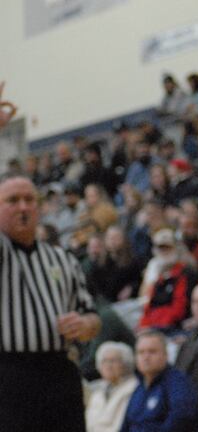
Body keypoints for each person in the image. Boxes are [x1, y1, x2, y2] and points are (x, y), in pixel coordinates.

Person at [0, 174, 101, 431]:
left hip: (60, 371)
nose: (23, 207)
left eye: (29, 199)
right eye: (12, 200)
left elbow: (92, 317)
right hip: (9, 374)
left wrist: (84, 324)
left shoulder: (62, 258)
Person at [121, 330, 198, 432]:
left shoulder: (179, 383)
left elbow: (181, 421)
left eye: (152, 351)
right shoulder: (138, 388)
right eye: (141, 352)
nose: (146, 357)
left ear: (165, 355)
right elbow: (126, 425)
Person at [86, 342, 139, 432]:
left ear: (126, 364)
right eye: (104, 361)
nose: (108, 365)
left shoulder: (134, 388)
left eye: (113, 361)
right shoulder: (96, 391)